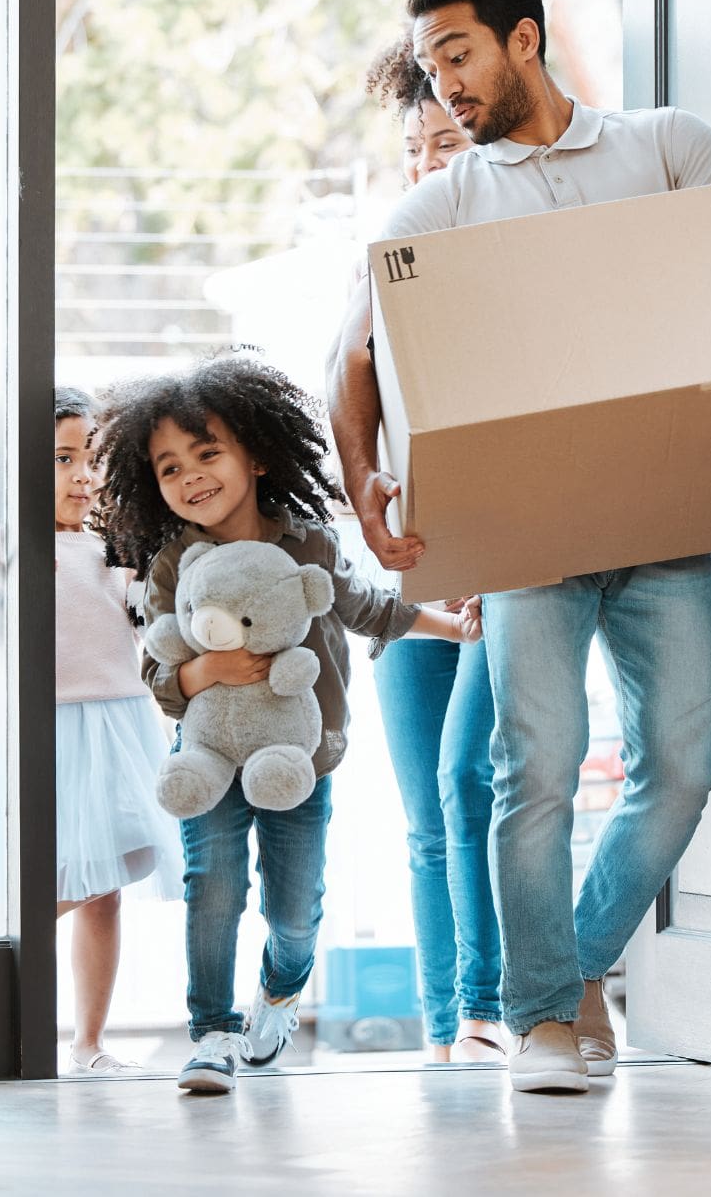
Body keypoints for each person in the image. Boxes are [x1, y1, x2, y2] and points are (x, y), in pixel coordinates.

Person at [327, 0, 711, 1094]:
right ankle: (539, 1023)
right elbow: (354, 357)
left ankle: (575, 970)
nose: (444, 85)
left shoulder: (666, 148)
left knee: (680, 771)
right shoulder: (444, 204)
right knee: (538, 773)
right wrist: (366, 485)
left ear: (524, 38)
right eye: (428, 67)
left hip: (668, 523)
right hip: (531, 542)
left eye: (457, 55)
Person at [97, 355, 481, 1093]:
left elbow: (370, 608)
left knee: (296, 910)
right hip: (208, 752)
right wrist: (201, 674)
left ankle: (278, 990)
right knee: (213, 887)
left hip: (299, 758)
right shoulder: (173, 563)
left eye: (207, 453)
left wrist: (453, 626)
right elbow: (157, 667)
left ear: (258, 456)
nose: (191, 476)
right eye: (170, 467)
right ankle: (211, 1031)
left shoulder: (307, 543)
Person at [356, 39, 502, 1062]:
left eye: (445, 141)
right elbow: (352, 406)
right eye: (414, 147)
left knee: (472, 786)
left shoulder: (518, 256)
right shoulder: (382, 267)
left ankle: (495, 1005)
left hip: (504, 574)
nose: (426, 163)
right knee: (424, 818)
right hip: (408, 577)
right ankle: (448, 1028)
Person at [54, 386, 182, 1076]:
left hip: (123, 718)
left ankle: (89, 1042)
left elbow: (145, 617)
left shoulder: (110, 545)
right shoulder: (11, 543)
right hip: (57, 725)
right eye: (62, 458)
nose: (82, 475)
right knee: (78, 870)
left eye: (90, 458)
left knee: (111, 881)